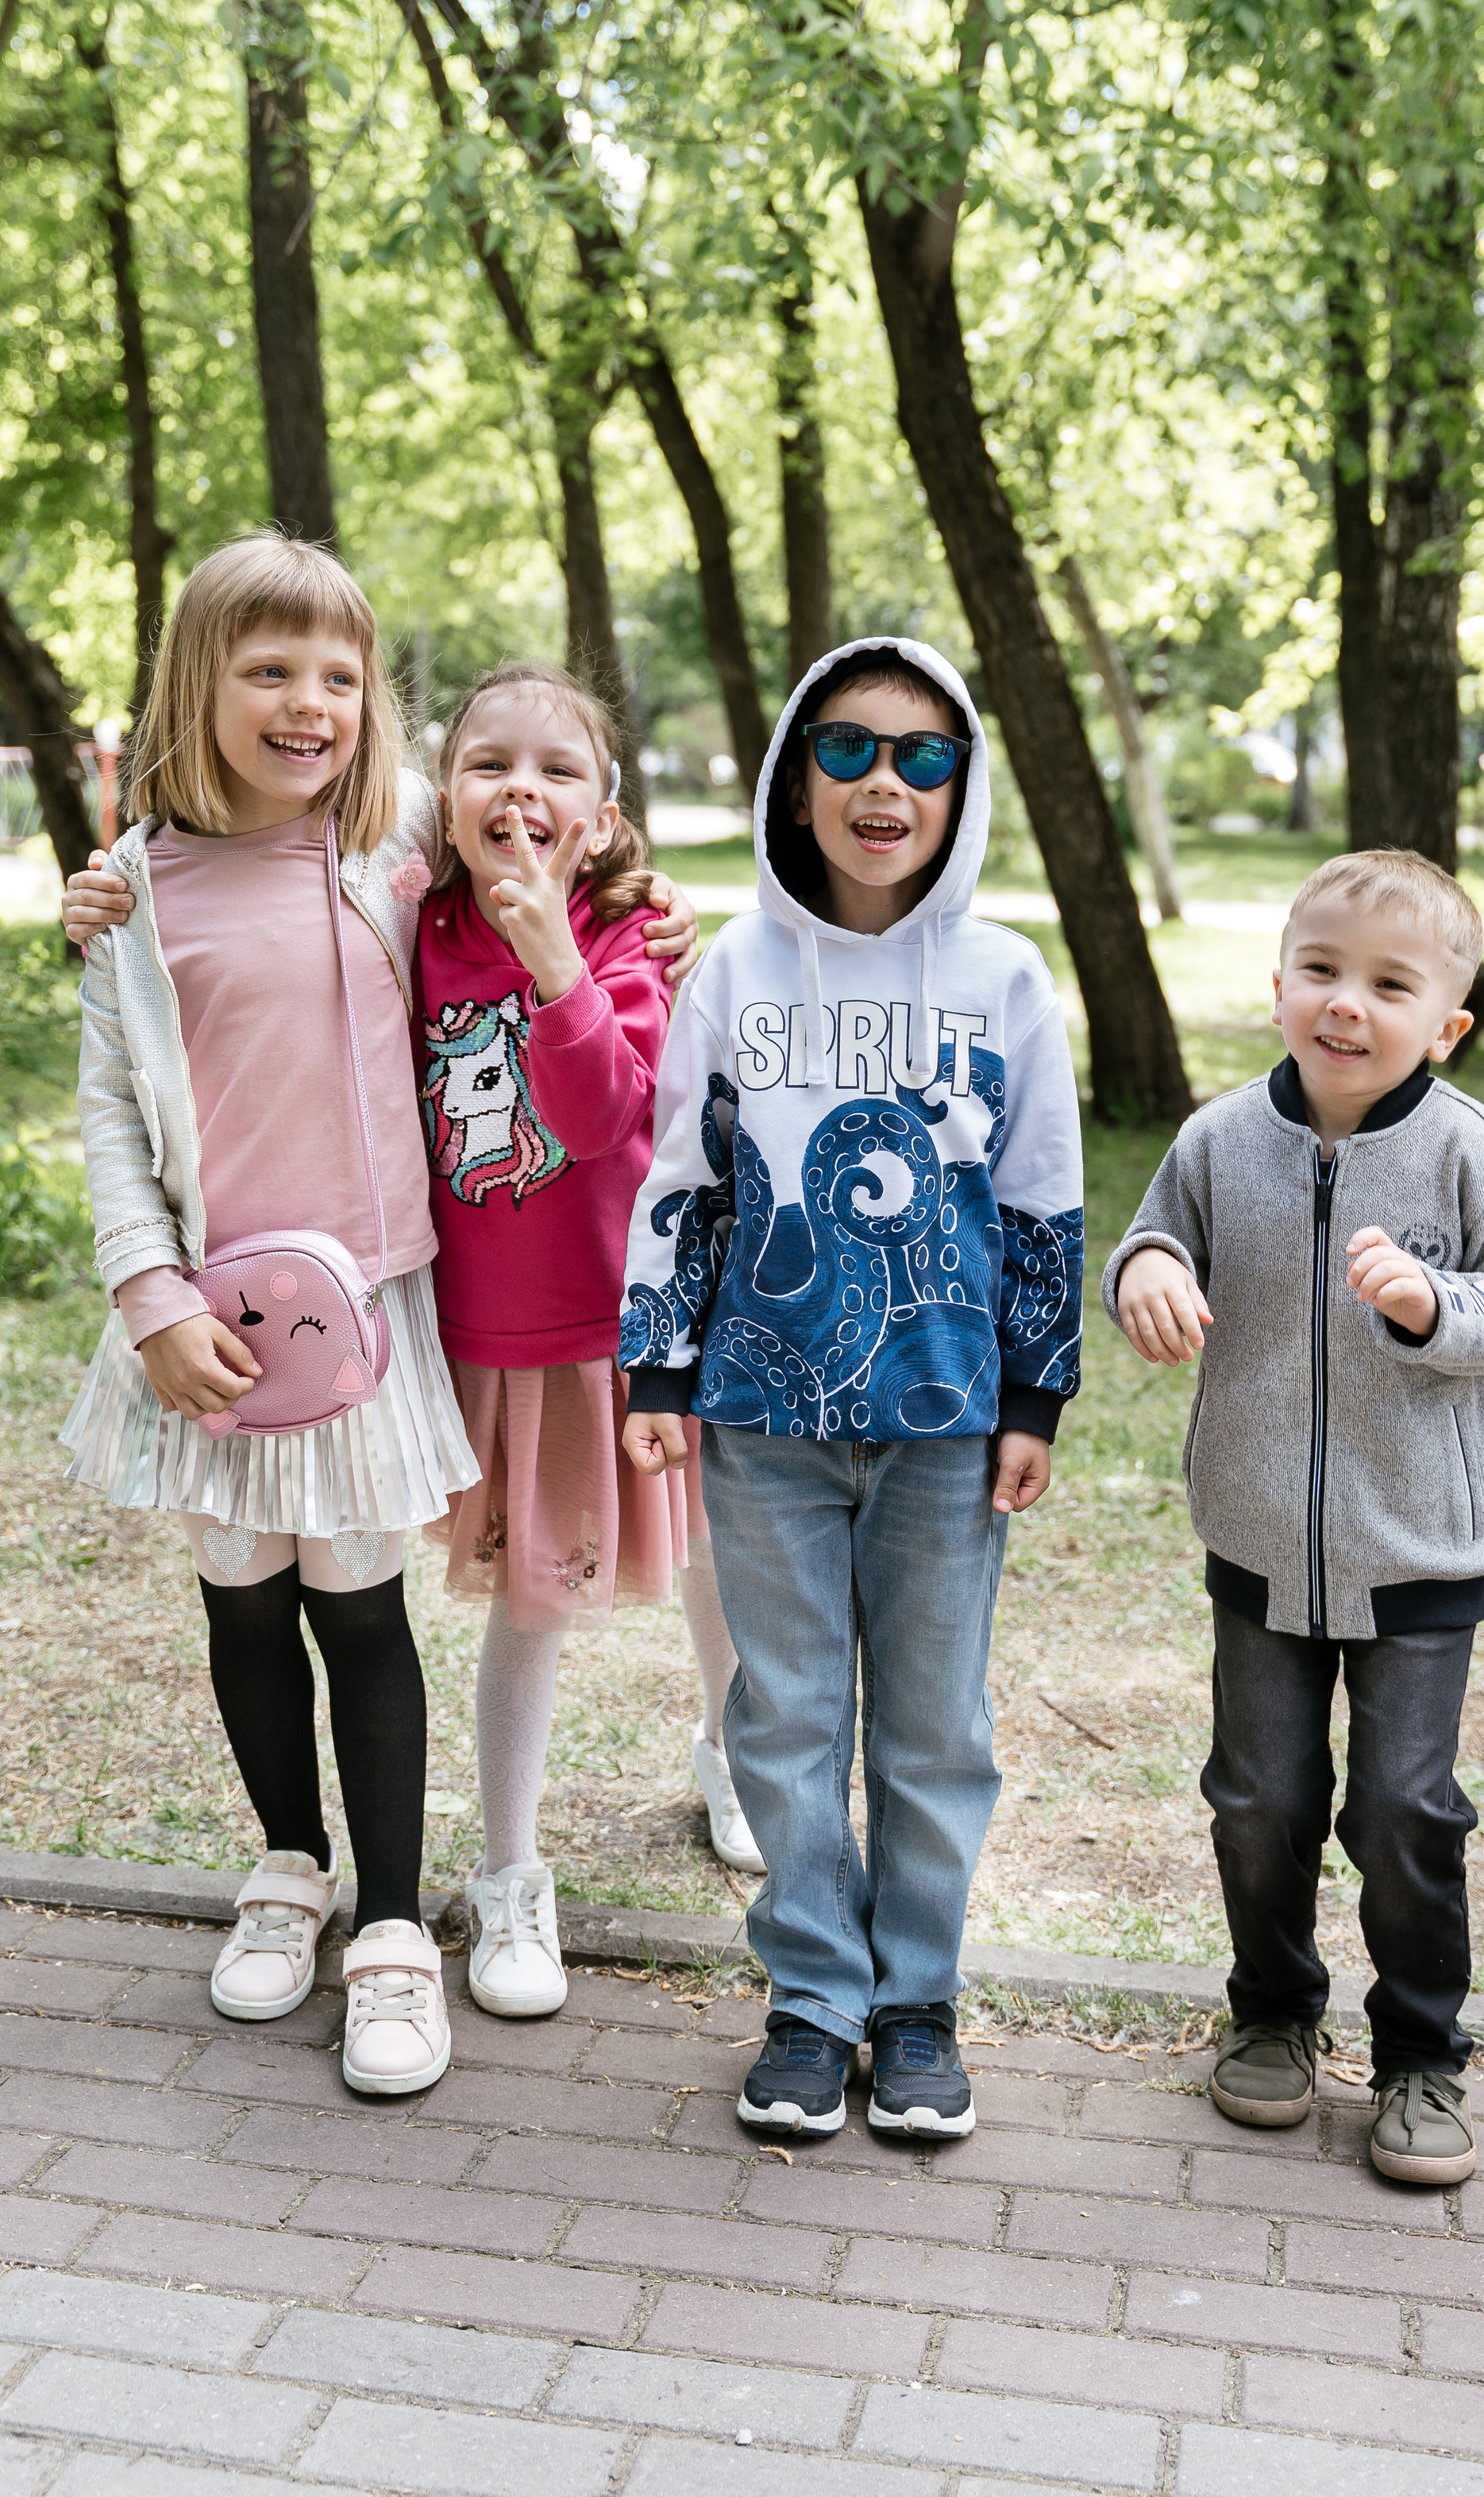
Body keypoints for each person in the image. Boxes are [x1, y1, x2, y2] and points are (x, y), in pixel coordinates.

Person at [619, 638, 1084, 2142]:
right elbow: (684, 1173)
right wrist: (659, 1361)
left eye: (923, 757)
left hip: (948, 1425)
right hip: (763, 1420)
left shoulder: (1005, 977)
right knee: (789, 1720)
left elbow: (1041, 1199)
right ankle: (815, 2002)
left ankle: (918, 2002)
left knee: (936, 1728)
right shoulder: (737, 971)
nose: (884, 781)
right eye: (848, 750)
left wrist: (1037, 1395)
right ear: (793, 780)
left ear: (962, 789)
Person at [60, 535, 477, 2097]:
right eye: (269, 671)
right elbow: (110, 1110)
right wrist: (147, 1293)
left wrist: (624, 882)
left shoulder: (395, 849)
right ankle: (287, 1868)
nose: (309, 703)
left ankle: (386, 1936)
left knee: (357, 1609)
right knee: (242, 1600)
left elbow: (540, 825)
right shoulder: (138, 895)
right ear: (200, 685)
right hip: (205, 1329)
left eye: (339, 677)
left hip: (359, 1322)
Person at [1106, 849, 1484, 2186]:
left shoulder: (1476, 1154)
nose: (1347, 1006)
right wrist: (1145, 1271)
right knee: (1260, 1799)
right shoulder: (1218, 1140)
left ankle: (1422, 2056)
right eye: (1322, 971)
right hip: (1260, 1538)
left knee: (1403, 1808)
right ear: (1277, 988)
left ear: (1447, 1024)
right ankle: (1269, 2018)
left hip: (1422, 1546)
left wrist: (1435, 1308)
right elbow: (1155, 1239)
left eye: (1389, 985)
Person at [414, 662, 764, 2025]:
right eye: (489, 764)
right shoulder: (415, 921)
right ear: (445, 802)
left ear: (606, 817)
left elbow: (615, 1111)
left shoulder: (630, 945)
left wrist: (556, 951)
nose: (521, 789)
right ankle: (509, 1873)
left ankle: (730, 1751)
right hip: (503, 1342)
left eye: (558, 770)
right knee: (532, 1599)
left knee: (709, 1553)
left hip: (641, 1323)